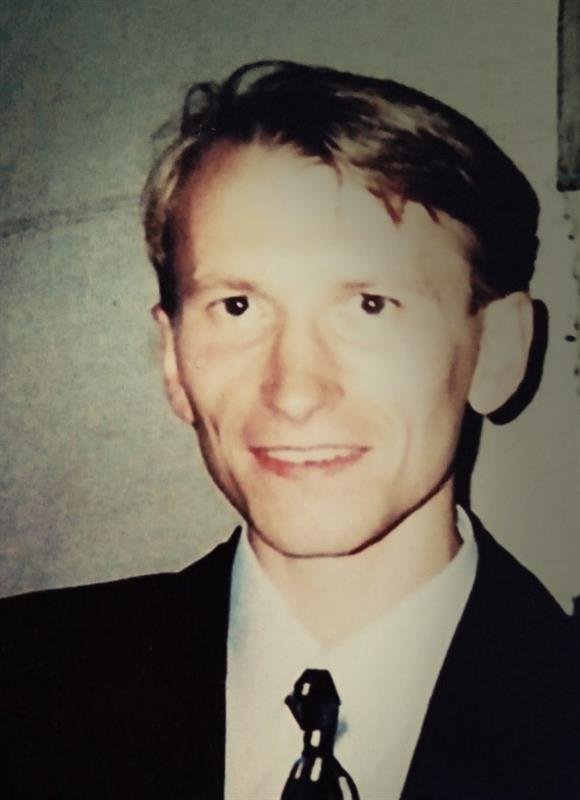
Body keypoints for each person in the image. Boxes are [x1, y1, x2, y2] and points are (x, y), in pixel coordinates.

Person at [0, 61, 577, 799]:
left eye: (370, 304)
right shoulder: (24, 684)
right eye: (237, 307)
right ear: (173, 360)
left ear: (497, 353)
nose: (295, 392)